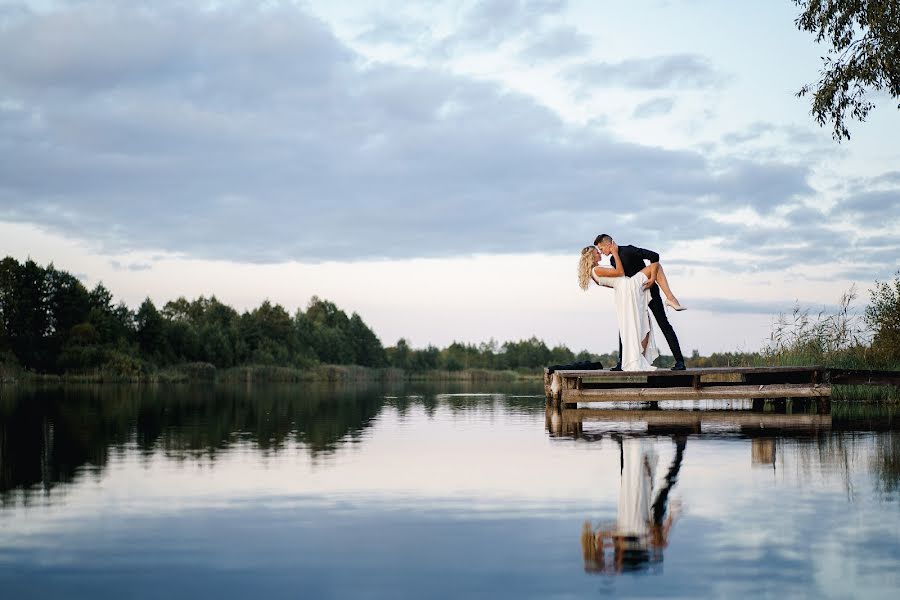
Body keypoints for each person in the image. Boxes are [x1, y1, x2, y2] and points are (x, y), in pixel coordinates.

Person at [578, 244, 680, 371]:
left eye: (600, 250)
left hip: (624, 290)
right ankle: (670, 298)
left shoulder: (596, 273)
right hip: (630, 285)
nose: (600, 253)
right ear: (592, 256)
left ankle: (639, 359)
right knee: (656, 266)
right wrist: (615, 252)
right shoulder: (596, 270)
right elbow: (620, 272)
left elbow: (615, 282)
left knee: (645, 325)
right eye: (597, 252)